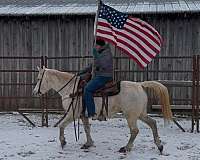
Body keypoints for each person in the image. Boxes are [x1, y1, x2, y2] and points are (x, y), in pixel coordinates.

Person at [80, 39, 113, 119]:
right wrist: (81, 72)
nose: (95, 47)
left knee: (87, 89)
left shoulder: (107, 53)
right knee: (83, 85)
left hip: (104, 76)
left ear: (101, 46)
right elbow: (92, 65)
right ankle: (83, 110)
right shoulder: (100, 53)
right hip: (98, 75)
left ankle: (92, 113)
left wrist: (97, 57)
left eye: (97, 45)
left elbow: (104, 65)